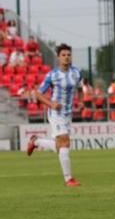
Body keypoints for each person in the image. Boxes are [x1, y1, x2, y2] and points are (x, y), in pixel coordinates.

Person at [26, 44, 82, 187]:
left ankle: (36, 142)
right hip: (56, 113)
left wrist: (80, 101)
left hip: (68, 114)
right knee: (65, 141)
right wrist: (51, 104)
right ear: (58, 57)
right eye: (63, 55)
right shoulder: (52, 75)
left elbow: (80, 88)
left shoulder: (76, 73)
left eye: (68, 55)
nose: (66, 57)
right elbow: (37, 94)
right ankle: (69, 179)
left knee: (60, 146)